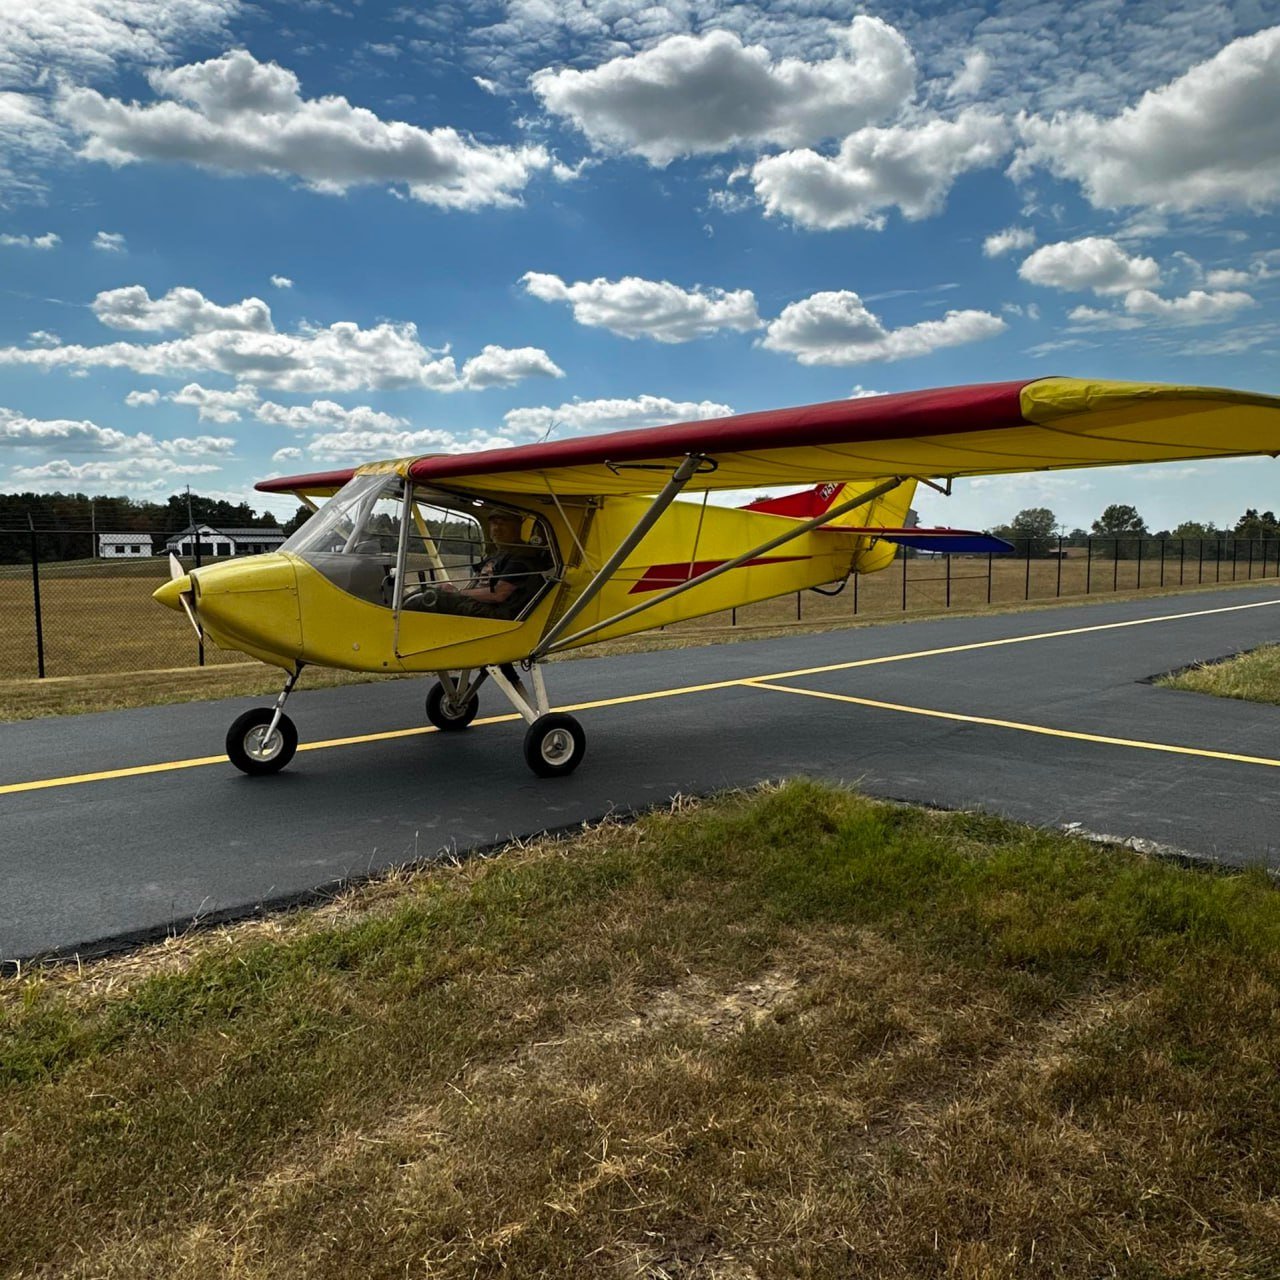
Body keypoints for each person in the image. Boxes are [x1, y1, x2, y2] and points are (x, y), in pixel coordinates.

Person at [425, 510, 547, 620]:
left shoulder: (521, 556)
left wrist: (456, 593)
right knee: (429, 594)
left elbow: (499, 594)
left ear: (517, 527)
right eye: (494, 523)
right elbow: (477, 583)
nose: (496, 529)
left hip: (499, 615)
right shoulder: (496, 555)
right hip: (484, 607)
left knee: (435, 600)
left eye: (502, 523)